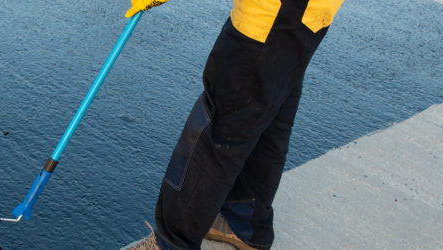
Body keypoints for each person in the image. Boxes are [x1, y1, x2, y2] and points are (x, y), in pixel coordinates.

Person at [125, 0, 344, 249]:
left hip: (272, 14)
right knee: (268, 116)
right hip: (304, 14)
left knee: (219, 127)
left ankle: (172, 244)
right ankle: (242, 219)